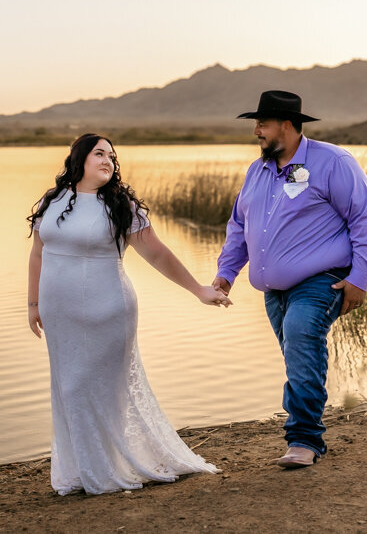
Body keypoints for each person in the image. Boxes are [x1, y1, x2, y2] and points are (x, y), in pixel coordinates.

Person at [27, 133, 229, 495]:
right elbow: (38, 254)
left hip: (108, 311)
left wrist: (199, 289)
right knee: (69, 389)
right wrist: (33, 304)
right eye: (99, 153)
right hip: (60, 313)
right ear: (79, 159)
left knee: (105, 390)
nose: (107, 160)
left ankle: (104, 471)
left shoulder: (121, 205)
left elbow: (158, 254)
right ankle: (79, 471)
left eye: (111, 156)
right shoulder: (52, 201)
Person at [213, 90, 367, 468]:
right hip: (275, 291)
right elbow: (240, 226)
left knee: (301, 334)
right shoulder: (257, 171)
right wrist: (226, 273)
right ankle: (305, 431)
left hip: (322, 279)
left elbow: (364, 217)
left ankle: (304, 440)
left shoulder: (333, 162)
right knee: (298, 358)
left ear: (286, 126)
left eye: (262, 124)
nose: (256, 131)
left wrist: (360, 276)